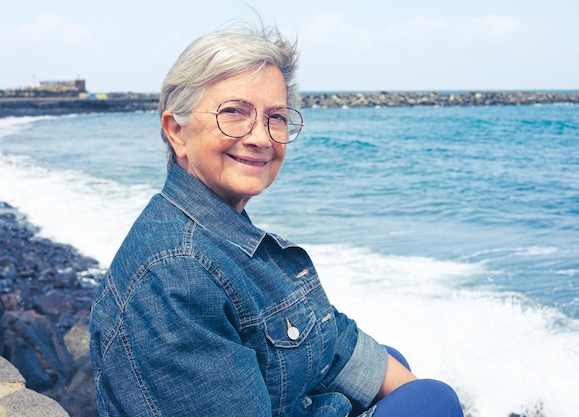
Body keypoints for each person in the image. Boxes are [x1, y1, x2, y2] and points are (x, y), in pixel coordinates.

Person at [89, 21, 464, 417]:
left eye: (276, 118)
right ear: (176, 132)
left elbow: (329, 335)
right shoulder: (176, 275)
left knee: (395, 370)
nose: (261, 138)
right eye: (234, 112)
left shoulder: (220, 234)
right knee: (434, 400)